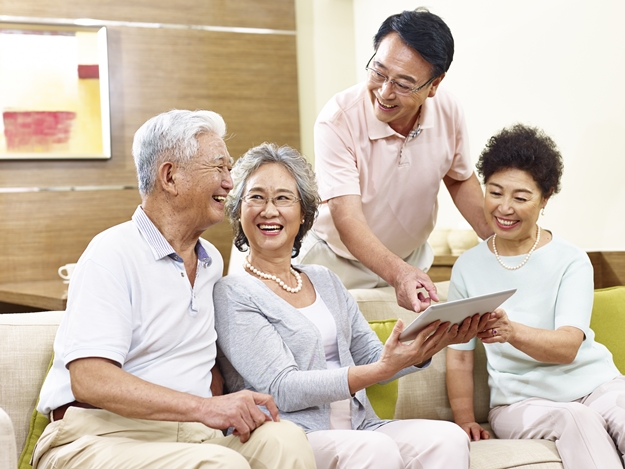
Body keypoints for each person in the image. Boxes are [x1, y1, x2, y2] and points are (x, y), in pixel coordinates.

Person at [32, 110, 316, 469]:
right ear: (170, 176)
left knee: (286, 439)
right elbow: (90, 379)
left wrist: (227, 402)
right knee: (221, 465)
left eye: (229, 169)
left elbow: (202, 358)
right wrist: (204, 408)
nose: (230, 183)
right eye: (218, 168)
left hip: (188, 433)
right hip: (99, 436)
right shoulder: (111, 252)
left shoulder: (211, 261)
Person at [214, 142, 495, 469]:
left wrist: (432, 342)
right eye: (256, 197)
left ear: (303, 212)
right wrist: (380, 369)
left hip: (361, 426)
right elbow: (282, 388)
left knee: (447, 438)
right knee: (374, 449)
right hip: (294, 435)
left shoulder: (325, 280)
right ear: (237, 209)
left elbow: (373, 357)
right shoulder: (233, 291)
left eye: (283, 198)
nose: (269, 210)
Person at [445, 124, 625, 469]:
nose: (504, 208)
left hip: (595, 385)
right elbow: (460, 357)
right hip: (518, 403)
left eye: (521, 197)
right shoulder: (467, 268)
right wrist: (465, 417)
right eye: (495, 192)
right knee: (575, 418)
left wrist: (512, 332)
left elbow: (567, 347)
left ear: (545, 197)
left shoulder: (571, 259)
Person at [295, 8, 492, 313]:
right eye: (378, 72)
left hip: (409, 259)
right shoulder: (338, 119)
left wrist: (499, 240)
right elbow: (347, 218)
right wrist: (397, 273)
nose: (385, 92)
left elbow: (458, 177)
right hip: (337, 260)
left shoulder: (448, 110)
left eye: (403, 84)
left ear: (434, 85)